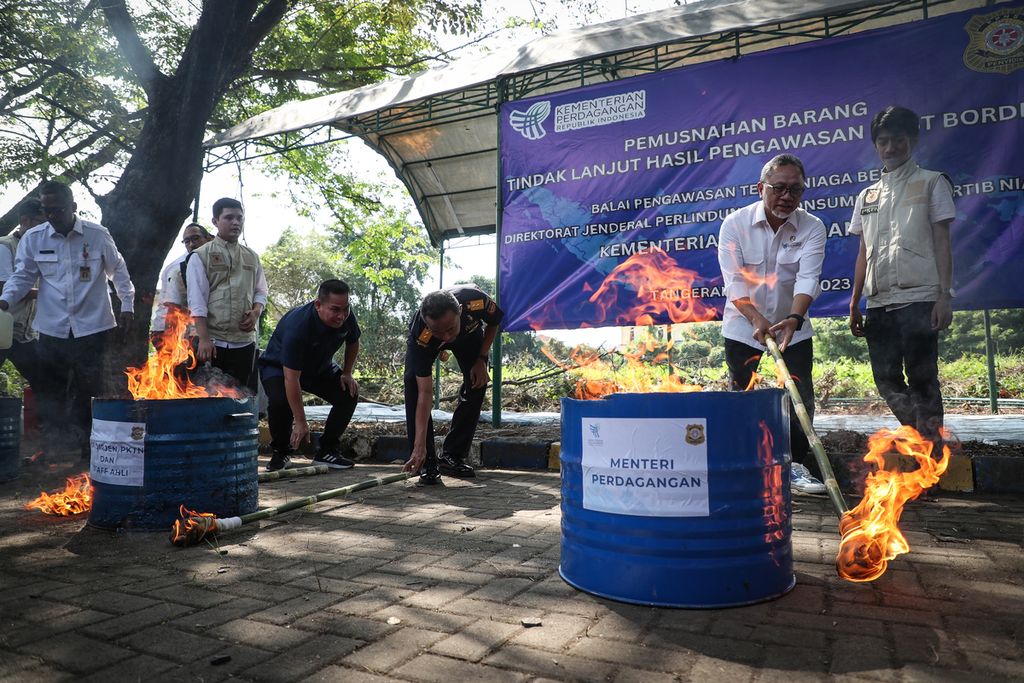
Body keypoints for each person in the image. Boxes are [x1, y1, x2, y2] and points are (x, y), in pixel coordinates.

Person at [717, 153, 828, 494]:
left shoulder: (813, 226)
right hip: (743, 327)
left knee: (798, 400)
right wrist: (756, 319)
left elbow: (808, 279)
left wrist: (793, 319)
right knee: (742, 396)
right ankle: (745, 466)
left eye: (795, 190)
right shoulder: (734, 225)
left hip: (792, 329)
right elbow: (734, 282)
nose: (787, 197)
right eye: (778, 188)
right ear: (760, 188)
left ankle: (796, 468)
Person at [0, 180, 135, 458]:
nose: (52, 216)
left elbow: (118, 271)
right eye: (47, 210)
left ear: (73, 207)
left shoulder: (97, 235)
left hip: (93, 325)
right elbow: (23, 276)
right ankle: (54, 447)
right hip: (52, 327)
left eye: (58, 209)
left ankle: (89, 445)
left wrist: (128, 305)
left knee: (90, 386)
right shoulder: (34, 238)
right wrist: (5, 300)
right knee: (50, 389)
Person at [849, 106, 955, 442]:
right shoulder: (867, 196)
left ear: (913, 140)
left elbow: (942, 242)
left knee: (923, 378)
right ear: (875, 145)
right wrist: (854, 302)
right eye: (883, 141)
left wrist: (944, 295)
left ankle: (931, 452)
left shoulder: (931, 183)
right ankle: (925, 441)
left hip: (920, 298)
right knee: (885, 378)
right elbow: (863, 251)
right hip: (878, 302)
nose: (891, 147)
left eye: (898, 140)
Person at [402, 285, 503, 485]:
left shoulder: (476, 301)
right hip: (428, 344)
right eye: (439, 331)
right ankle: (426, 462)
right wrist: (419, 443)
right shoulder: (422, 333)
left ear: (460, 310)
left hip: (469, 334)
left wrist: (482, 359)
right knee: (412, 386)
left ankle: (452, 456)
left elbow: (494, 322)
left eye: (449, 328)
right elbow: (425, 393)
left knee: (477, 382)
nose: (447, 337)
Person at [258, 280, 361, 472]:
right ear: (318, 305)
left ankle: (327, 451)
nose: (341, 316)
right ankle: (281, 452)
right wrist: (301, 421)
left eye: (345, 309)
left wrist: (347, 372)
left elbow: (353, 341)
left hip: (318, 367)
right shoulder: (298, 327)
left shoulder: (346, 316)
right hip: (279, 368)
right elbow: (291, 379)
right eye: (335, 310)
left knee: (349, 393)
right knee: (281, 401)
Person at [186, 198, 267, 392]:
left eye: (239, 218)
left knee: (240, 397)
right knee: (207, 398)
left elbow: (261, 291)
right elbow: (196, 301)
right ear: (215, 221)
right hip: (212, 341)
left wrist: (256, 312)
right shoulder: (200, 256)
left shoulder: (251, 256)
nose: (236, 222)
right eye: (229, 217)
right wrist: (204, 339)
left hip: (244, 342)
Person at [0, 199, 45, 387]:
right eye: (42, 224)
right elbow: (5, 287)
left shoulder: (43, 249)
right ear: (25, 221)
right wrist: (53, 293)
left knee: (44, 381)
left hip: (25, 333)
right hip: (3, 326)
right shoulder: (5, 246)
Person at [150, 222, 213, 349]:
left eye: (196, 238)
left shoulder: (222, 263)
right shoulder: (177, 268)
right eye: (187, 241)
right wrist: (169, 341)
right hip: (182, 334)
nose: (192, 244)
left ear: (208, 238)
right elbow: (173, 308)